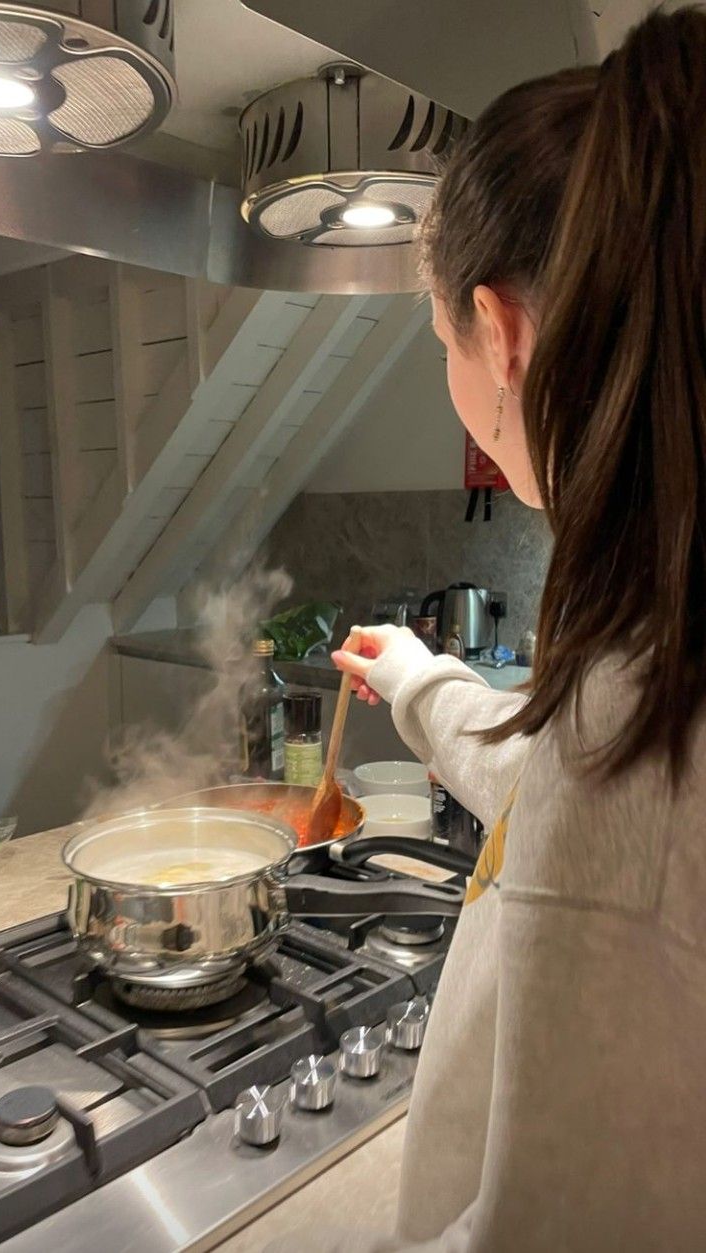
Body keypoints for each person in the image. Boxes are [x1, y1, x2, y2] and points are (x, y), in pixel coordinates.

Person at [271, 8, 706, 1251]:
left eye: (440, 339)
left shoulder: (636, 714)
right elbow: (557, 781)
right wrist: (419, 680)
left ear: (498, 333)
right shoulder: (656, 645)